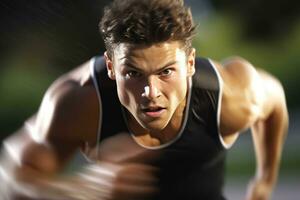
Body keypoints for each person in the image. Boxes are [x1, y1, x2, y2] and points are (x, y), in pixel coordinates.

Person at [0, 0, 288, 199]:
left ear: (189, 64)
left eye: (166, 72)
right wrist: (81, 191)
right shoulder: (79, 102)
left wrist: (264, 180)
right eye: (133, 73)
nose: (150, 92)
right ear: (112, 67)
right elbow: (9, 178)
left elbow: (274, 102)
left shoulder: (229, 97)